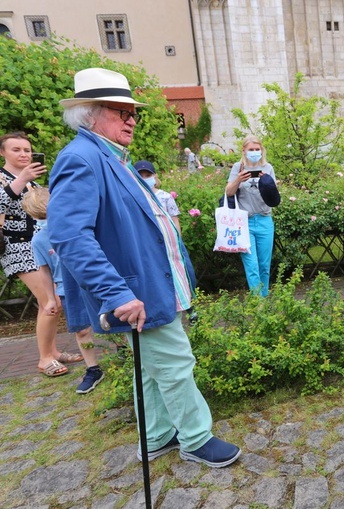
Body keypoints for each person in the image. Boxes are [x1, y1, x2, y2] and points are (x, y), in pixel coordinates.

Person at [49, 67, 240, 467]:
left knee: (151, 370)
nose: (132, 119)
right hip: (137, 292)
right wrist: (116, 293)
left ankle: (155, 437)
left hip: (151, 284)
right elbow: (70, 238)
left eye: (132, 111)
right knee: (174, 363)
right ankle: (195, 438)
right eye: (121, 112)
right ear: (90, 114)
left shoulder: (112, 158)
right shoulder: (81, 159)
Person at [0, 132, 83, 378]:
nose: (24, 154)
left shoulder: (33, 183)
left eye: (27, 149)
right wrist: (21, 178)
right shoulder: (5, 178)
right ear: (3, 152)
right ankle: (45, 358)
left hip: (41, 244)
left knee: (50, 303)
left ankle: (52, 351)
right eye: (16, 149)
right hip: (17, 247)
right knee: (51, 301)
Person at [22, 187, 104, 393]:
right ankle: (93, 368)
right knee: (82, 329)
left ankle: (125, 354)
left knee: (112, 318)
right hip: (68, 289)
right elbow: (44, 271)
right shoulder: (39, 240)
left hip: (92, 280)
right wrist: (49, 298)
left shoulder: (75, 226)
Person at [225, 135, 280, 297]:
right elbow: (228, 192)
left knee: (264, 265)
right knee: (251, 265)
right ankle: (258, 303)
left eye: (257, 149)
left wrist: (268, 184)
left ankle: (264, 297)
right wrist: (238, 179)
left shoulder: (268, 167)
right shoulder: (238, 167)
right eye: (251, 150)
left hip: (264, 220)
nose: (255, 152)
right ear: (244, 150)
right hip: (245, 223)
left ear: (261, 150)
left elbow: (274, 198)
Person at [134, 160, 181, 233]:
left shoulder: (166, 197)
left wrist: (178, 242)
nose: (144, 179)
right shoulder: (133, 197)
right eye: (140, 176)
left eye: (148, 175)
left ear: (154, 176)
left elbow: (175, 221)